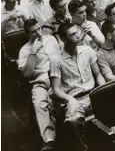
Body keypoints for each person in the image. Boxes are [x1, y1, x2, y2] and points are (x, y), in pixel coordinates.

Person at [49, 23, 105, 151]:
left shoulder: (87, 50)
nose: (78, 35)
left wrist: (103, 90)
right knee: (73, 121)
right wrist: (69, 99)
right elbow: (56, 89)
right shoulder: (56, 60)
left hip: (94, 94)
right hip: (75, 99)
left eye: (77, 32)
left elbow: (98, 75)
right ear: (63, 39)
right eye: (72, 34)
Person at [18, 19, 60, 151]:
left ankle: (62, 134)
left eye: (39, 28)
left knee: (52, 101)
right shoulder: (25, 50)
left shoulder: (51, 39)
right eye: (33, 32)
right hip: (40, 81)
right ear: (28, 34)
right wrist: (33, 51)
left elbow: (60, 57)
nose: (38, 33)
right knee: (39, 103)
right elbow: (27, 73)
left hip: (58, 76)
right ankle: (49, 140)